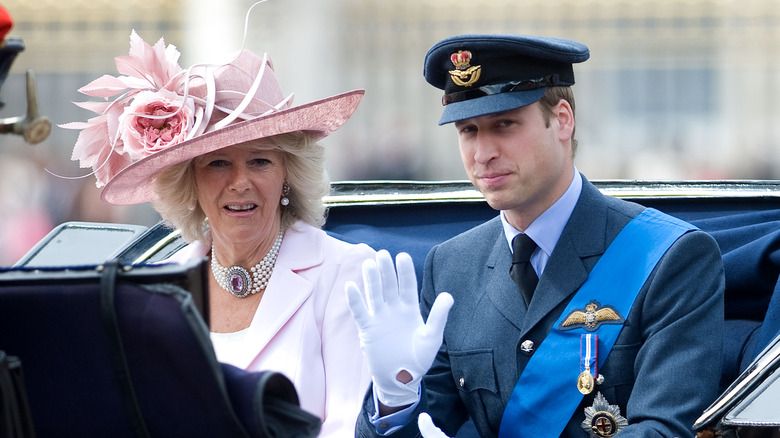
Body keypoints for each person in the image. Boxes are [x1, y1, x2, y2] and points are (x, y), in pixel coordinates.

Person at [347, 34, 725, 437]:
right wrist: (395, 399)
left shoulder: (668, 256)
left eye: (504, 125)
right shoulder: (452, 266)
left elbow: (666, 430)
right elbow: (431, 424)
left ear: (562, 120)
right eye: (468, 130)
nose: (482, 152)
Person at [63, 29, 374, 437]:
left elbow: (349, 424)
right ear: (189, 183)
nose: (240, 182)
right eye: (218, 164)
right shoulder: (156, 288)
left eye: (261, 161)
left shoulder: (346, 273)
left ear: (288, 177)